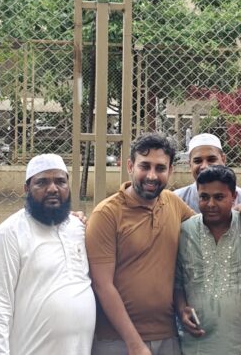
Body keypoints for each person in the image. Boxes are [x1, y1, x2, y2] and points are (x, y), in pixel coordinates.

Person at [86, 133, 194, 355]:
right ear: (130, 166)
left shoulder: (174, 204)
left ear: (170, 171)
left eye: (160, 168)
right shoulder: (107, 214)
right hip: (117, 341)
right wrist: (134, 344)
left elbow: (208, 227)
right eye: (144, 166)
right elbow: (103, 285)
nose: (152, 176)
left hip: (167, 336)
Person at [0, 154, 95, 354]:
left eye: (60, 181)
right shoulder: (7, 235)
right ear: (26, 189)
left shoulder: (79, 228)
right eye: (42, 182)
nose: (52, 189)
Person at [175, 165, 241, 354]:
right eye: (204, 197)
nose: (211, 204)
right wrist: (182, 308)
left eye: (219, 197)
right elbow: (177, 281)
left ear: (234, 197)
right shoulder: (185, 232)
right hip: (197, 344)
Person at [173, 133, 241, 213]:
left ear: (223, 160)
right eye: (198, 161)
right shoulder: (177, 198)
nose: (204, 166)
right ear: (190, 164)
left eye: (211, 160)